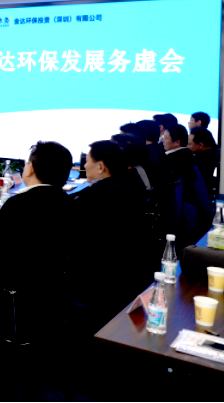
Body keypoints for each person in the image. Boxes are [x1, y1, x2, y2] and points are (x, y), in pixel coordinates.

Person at [0, 141, 73, 339]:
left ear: (31, 169)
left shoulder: (18, 205)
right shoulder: (67, 201)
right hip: (53, 291)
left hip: (18, 293)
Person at [68, 140, 141, 330]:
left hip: (98, 278)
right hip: (127, 272)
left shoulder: (95, 197)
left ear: (100, 167)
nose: (84, 165)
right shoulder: (128, 186)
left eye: (87, 161)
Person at [188, 126, 219, 197]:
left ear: (200, 145)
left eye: (189, 144)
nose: (187, 147)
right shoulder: (211, 154)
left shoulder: (199, 160)